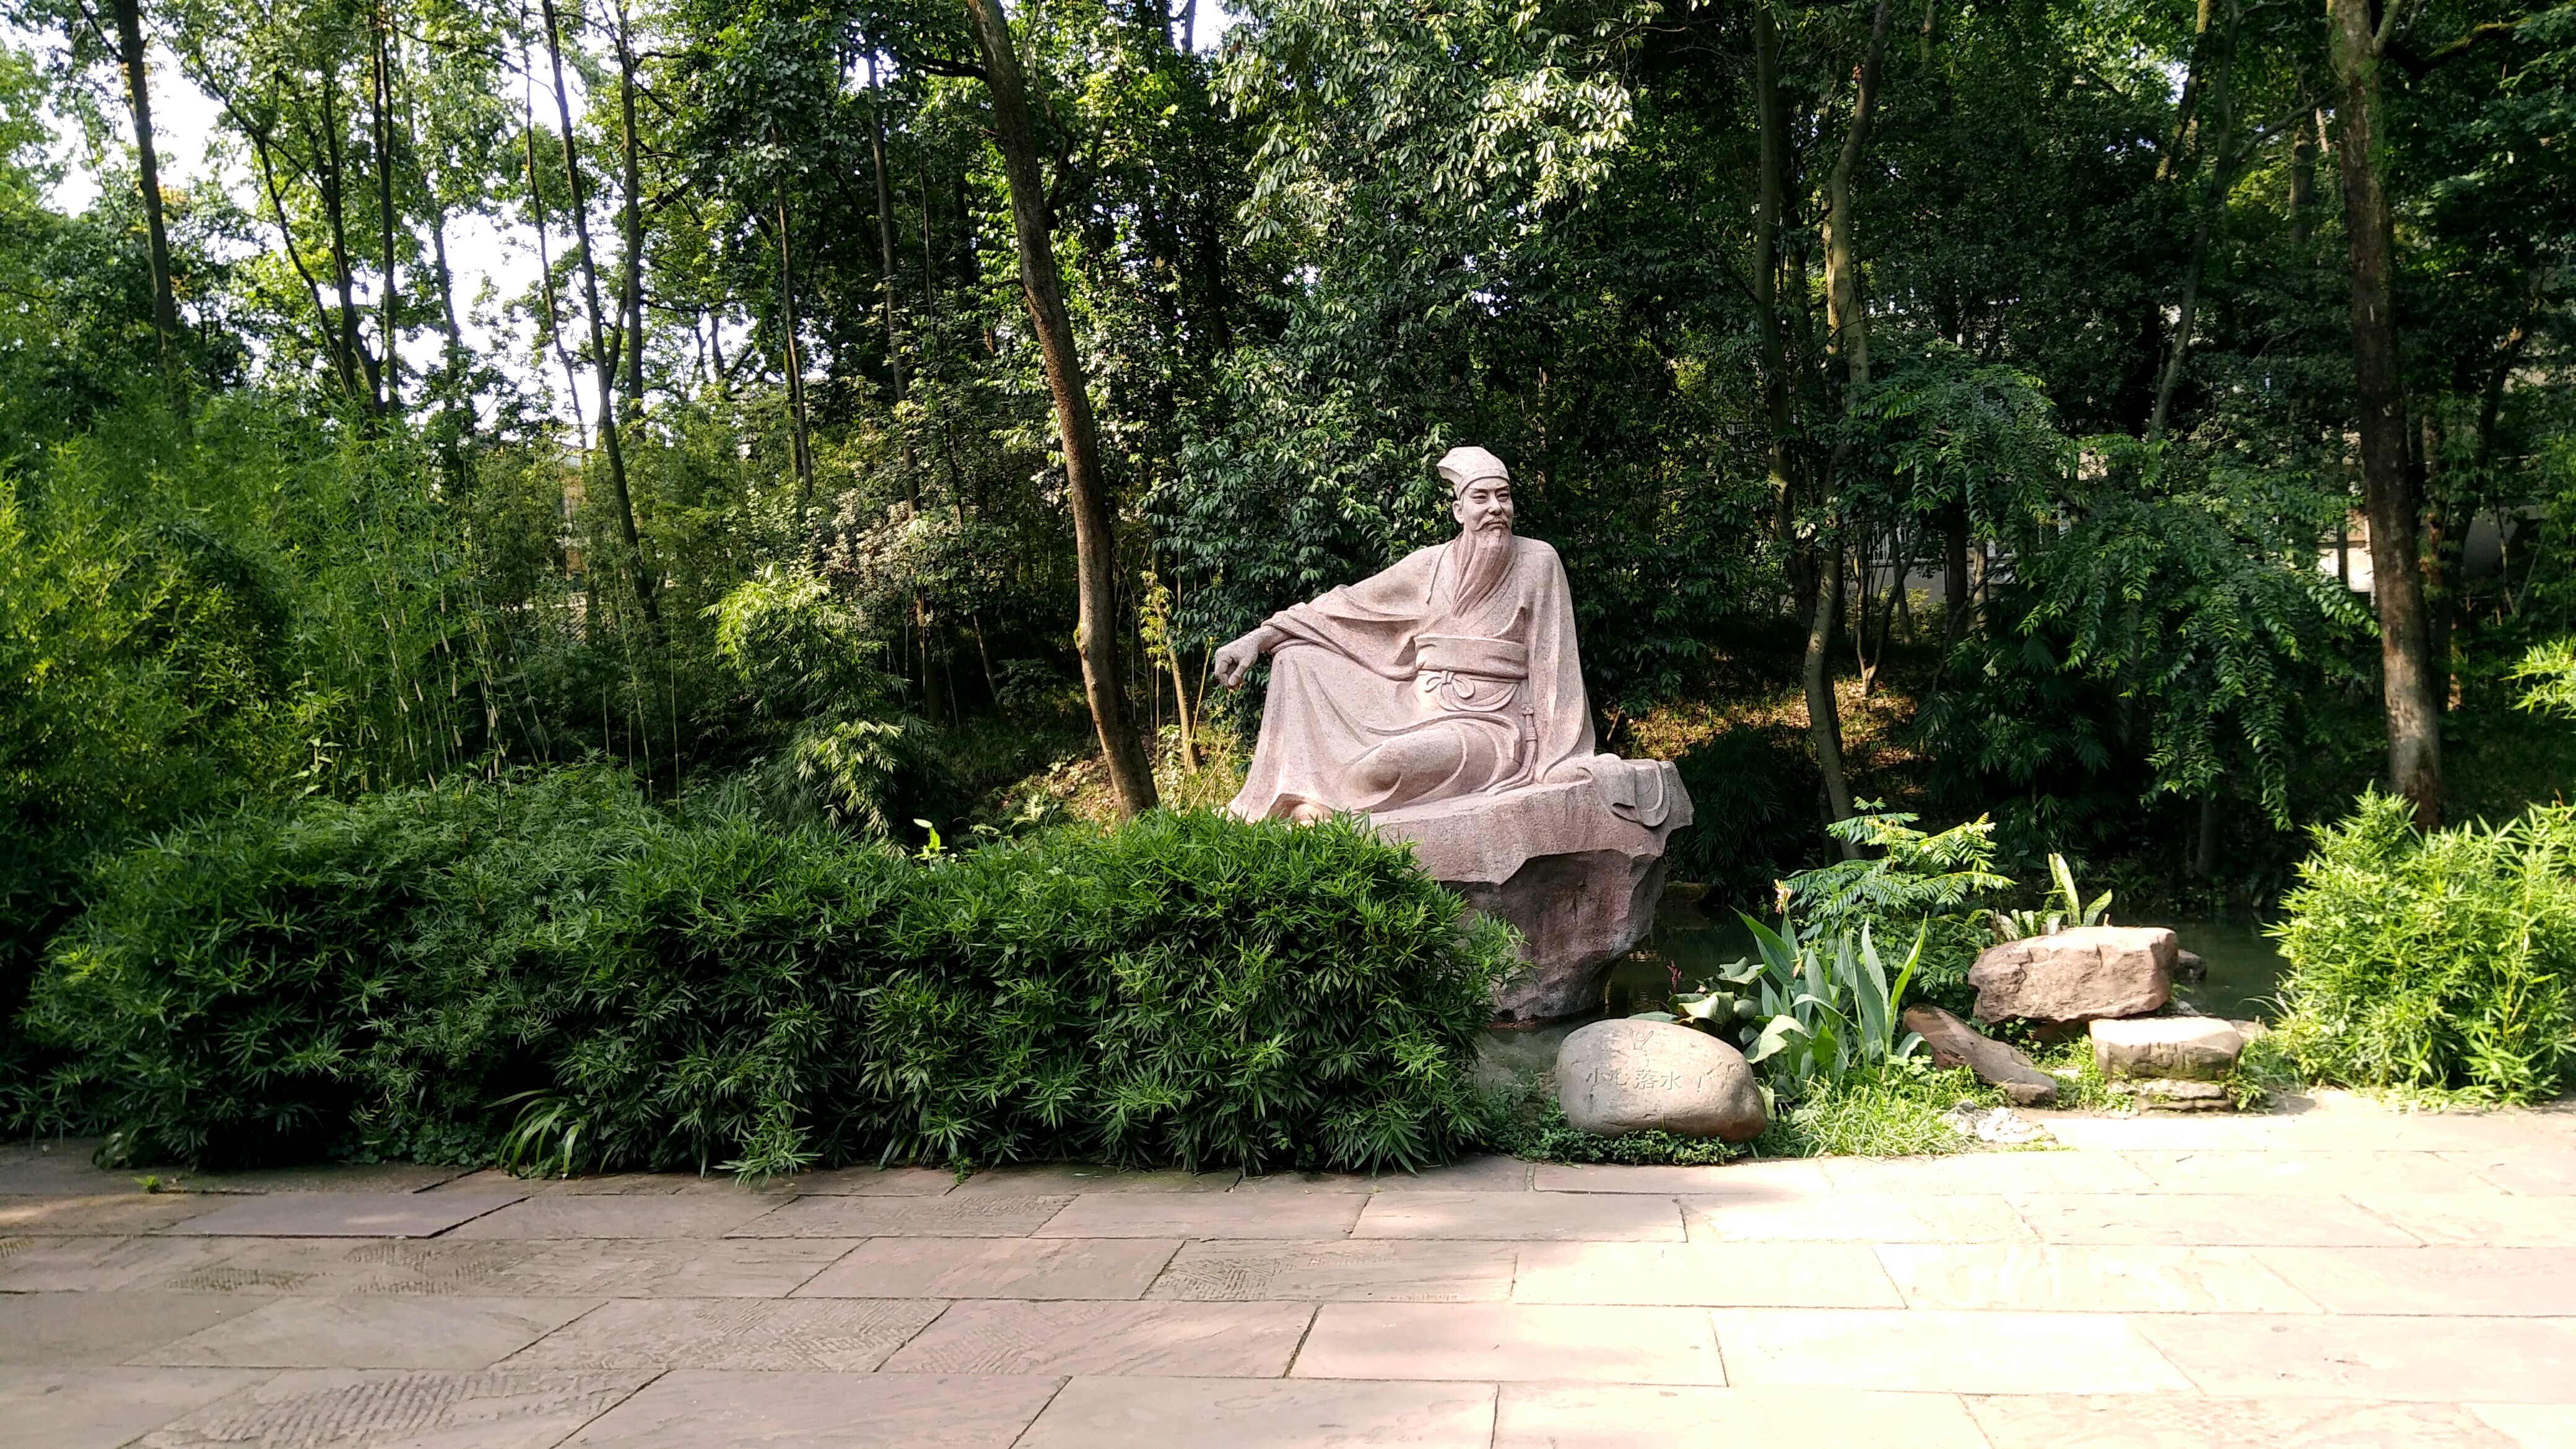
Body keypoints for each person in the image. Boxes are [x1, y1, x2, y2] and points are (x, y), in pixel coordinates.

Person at [1215, 445, 1604, 823]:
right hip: (1416, 706)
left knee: (1382, 768)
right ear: (1458, 510)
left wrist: (1559, 758)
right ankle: (1304, 796)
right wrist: (1260, 638)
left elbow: (1556, 665)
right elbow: (1346, 607)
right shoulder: (1430, 566)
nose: (1495, 508)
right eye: (1481, 498)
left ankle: (1327, 811)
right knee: (1297, 658)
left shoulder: (1539, 562)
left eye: (1503, 497)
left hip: (1493, 727)